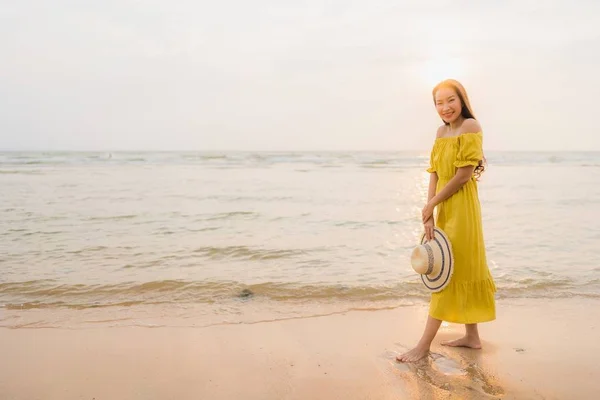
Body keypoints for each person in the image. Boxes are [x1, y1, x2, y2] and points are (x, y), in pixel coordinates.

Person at [397, 79, 496, 363]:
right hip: (442, 207)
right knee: (457, 266)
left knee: (452, 270)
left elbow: (463, 175)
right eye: (439, 102)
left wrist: (432, 202)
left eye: (450, 100)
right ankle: (472, 337)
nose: (445, 107)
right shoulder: (441, 132)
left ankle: (423, 346)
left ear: (461, 100)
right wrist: (429, 211)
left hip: (462, 209)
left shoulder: (471, 127)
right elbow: (434, 173)